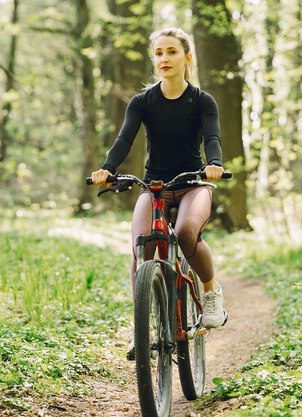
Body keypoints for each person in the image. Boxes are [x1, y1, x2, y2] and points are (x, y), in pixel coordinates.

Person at [91, 27, 228, 356]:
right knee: (142, 246)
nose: (164, 58)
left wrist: (215, 163)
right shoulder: (143, 102)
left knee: (184, 232)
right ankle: (142, 330)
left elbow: (211, 138)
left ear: (187, 58)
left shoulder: (202, 101)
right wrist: (108, 169)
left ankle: (211, 293)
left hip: (194, 184)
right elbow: (124, 139)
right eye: (159, 53)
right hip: (155, 186)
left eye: (172, 52)